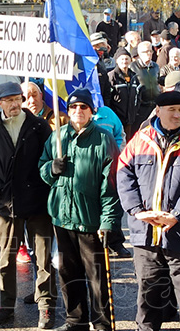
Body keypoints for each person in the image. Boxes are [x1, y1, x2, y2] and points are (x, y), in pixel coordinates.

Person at [117, 91, 180, 330]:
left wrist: (177, 215)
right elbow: (123, 175)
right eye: (172, 110)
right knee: (148, 303)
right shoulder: (140, 139)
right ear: (158, 111)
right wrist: (137, 211)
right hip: (146, 235)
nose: (178, 114)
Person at [38, 88, 121, 331]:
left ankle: (102, 322)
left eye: (83, 107)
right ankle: (75, 320)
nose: (78, 111)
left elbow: (111, 185)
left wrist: (108, 221)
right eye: (74, 107)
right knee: (67, 273)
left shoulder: (103, 139)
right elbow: (43, 170)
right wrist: (52, 169)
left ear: (91, 111)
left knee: (96, 276)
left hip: (91, 220)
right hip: (62, 218)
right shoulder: (57, 136)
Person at [0, 82, 56, 328]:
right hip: (7, 205)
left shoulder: (39, 126)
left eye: (16, 99)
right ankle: (6, 305)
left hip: (37, 201)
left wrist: (52, 170)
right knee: (6, 259)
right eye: (7, 100)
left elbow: (51, 157)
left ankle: (45, 306)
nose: (13, 104)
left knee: (42, 258)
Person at [108, 49, 140, 138]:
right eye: (122, 59)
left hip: (130, 118)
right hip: (117, 117)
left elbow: (138, 95)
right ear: (117, 61)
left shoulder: (134, 76)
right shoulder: (112, 76)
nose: (124, 61)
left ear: (130, 60)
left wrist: (135, 110)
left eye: (126, 59)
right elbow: (108, 96)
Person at [131, 41, 161, 131]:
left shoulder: (156, 66)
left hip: (154, 106)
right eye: (145, 52)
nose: (148, 54)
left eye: (150, 51)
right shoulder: (133, 67)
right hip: (141, 107)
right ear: (139, 53)